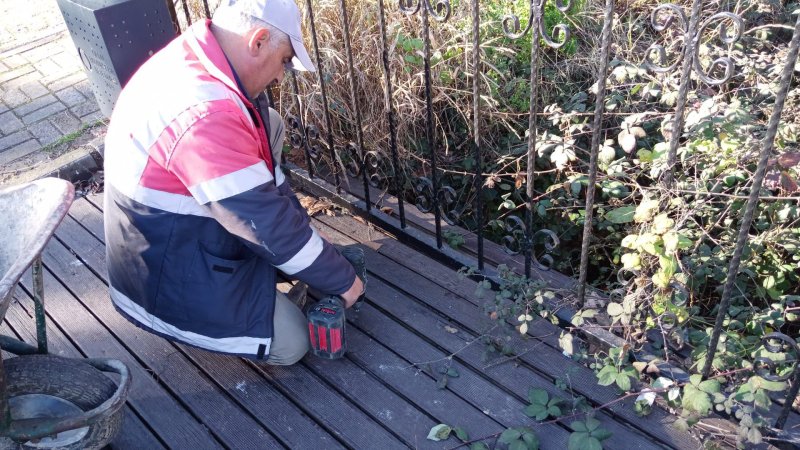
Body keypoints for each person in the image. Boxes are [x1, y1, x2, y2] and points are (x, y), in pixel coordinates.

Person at [103, 0, 363, 365]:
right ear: (258, 42)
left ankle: (281, 263)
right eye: (284, 60)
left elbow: (266, 193)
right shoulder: (205, 113)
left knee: (269, 123)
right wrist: (342, 282)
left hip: (166, 230)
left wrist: (311, 249)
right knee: (292, 343)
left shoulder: (200, 57)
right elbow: (263, 222)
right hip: (162, 274)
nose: (280, 75)